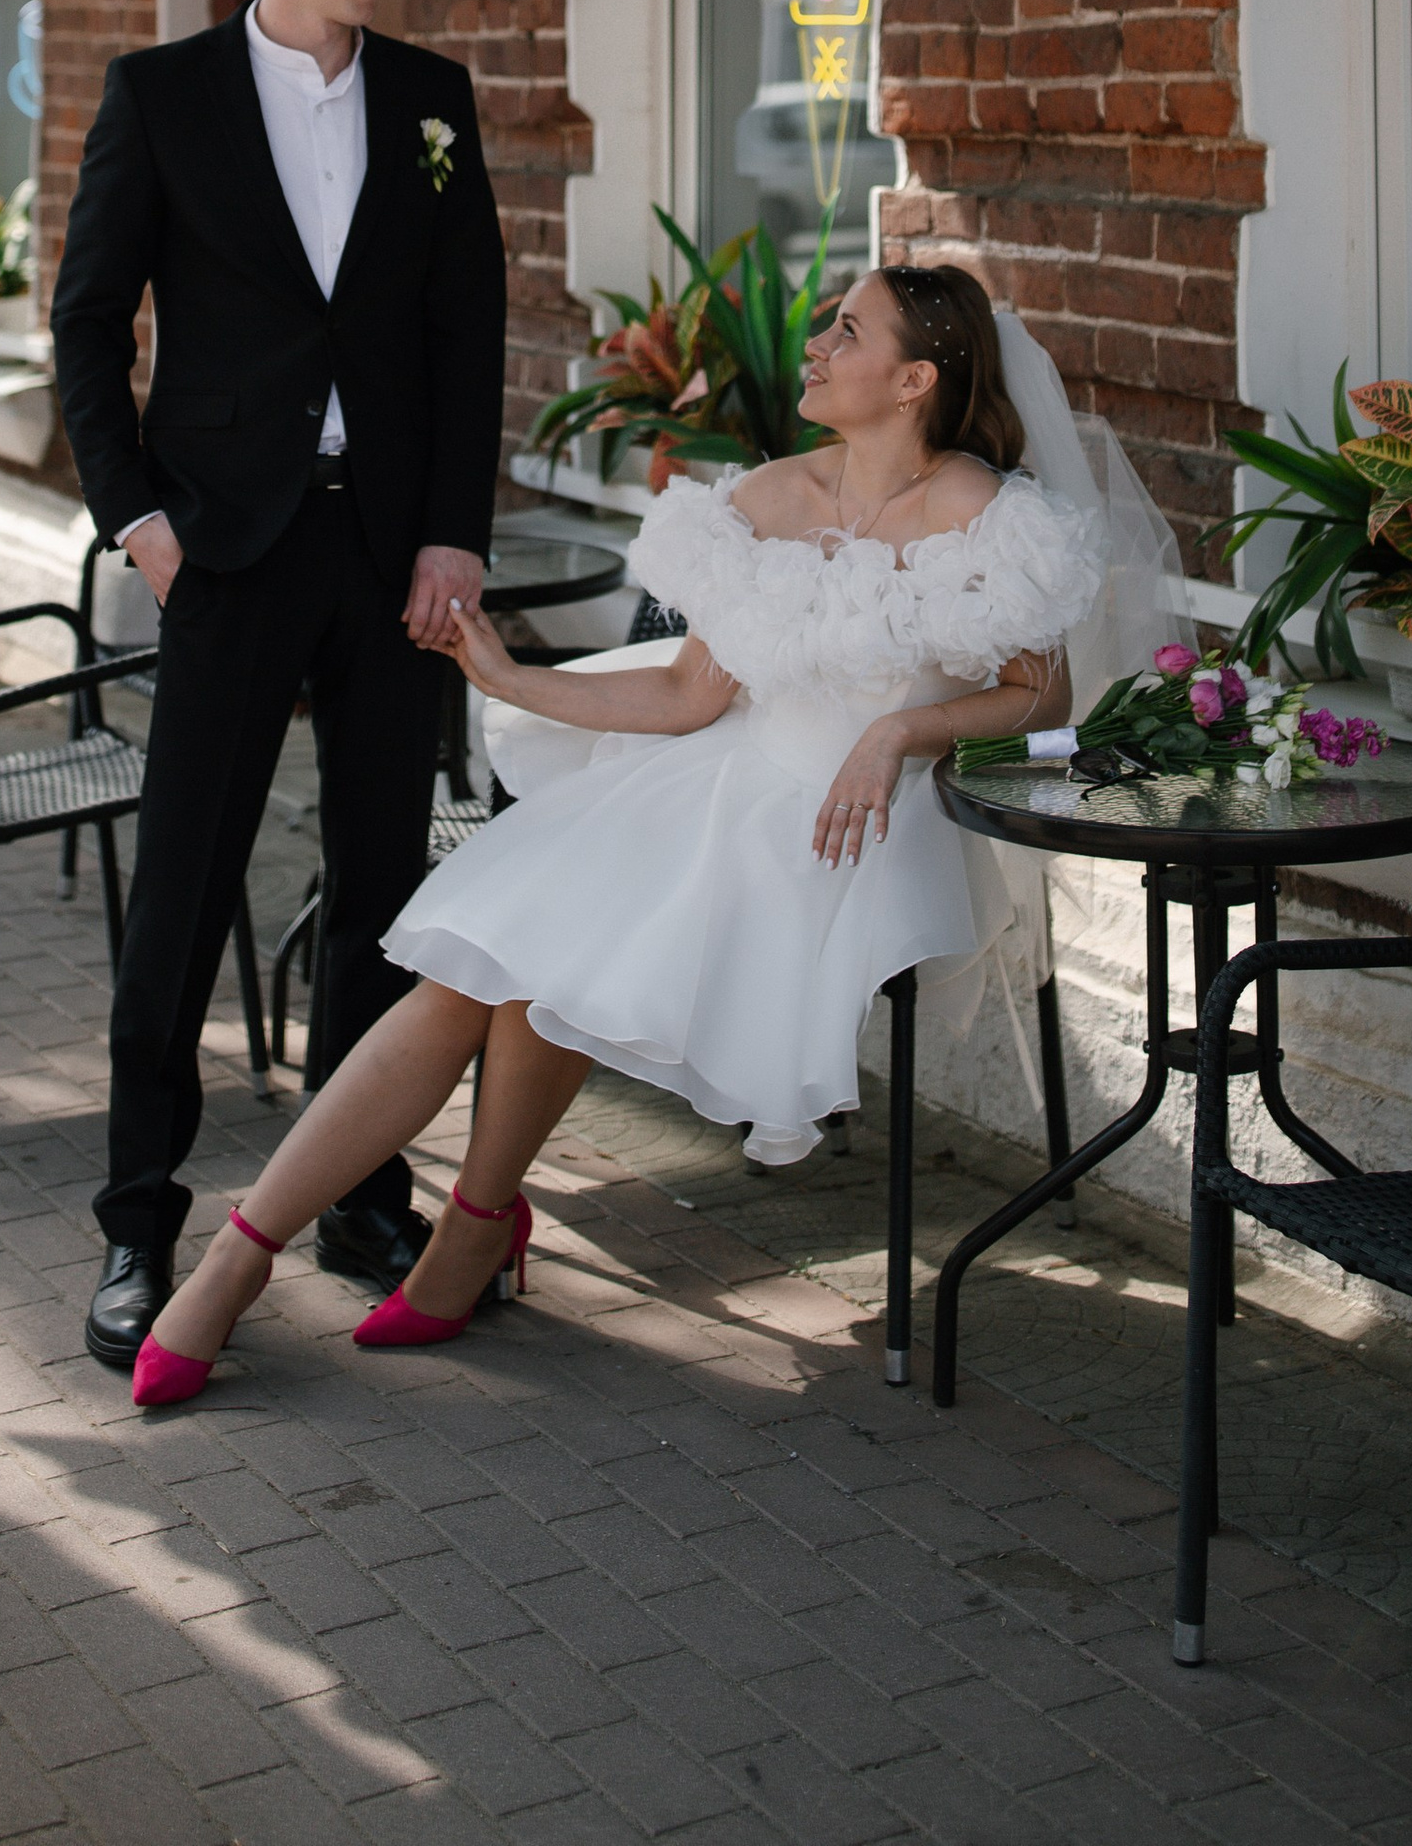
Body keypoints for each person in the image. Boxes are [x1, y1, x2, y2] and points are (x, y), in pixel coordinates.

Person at [126, 262, 1106, 1403]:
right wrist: (506, 673)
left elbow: (1045, 698)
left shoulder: (981, 511)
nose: (819, 345)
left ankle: (472, 1229)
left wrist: (902, 732)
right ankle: (241, 1260)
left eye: (848, 331)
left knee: (556, 951)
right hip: (715, 781)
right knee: (477, 970)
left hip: (852, 824)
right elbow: (689, 701)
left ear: (914, 379)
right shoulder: (766, 498)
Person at [50, 0, 505, 1371]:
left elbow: (468, 334)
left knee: (387, 887)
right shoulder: (162, 96)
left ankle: (363, 1192)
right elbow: (86, 320)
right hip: (226, 547)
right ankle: (135, 1223)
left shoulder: (435, 103)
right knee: (183, 889)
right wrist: (137, 521)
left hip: (390, 557)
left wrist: (456, 532)